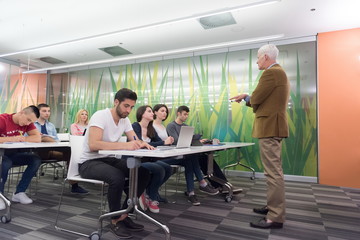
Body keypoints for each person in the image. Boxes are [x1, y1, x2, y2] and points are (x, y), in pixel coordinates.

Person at [78, 88, 152, 239]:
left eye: (132, 107)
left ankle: (123, 215)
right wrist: (126, 145)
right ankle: (114, 220)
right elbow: (94, 144)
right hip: (88, 162)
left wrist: (143, 143)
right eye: (126, 106)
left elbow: (134, 139)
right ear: (116, 102)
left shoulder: (125, 120)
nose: (129, 110)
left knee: (142, 172)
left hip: (108, 160)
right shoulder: (100, 116)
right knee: (117, 177)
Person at [230, 44, 290, 229]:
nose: (256, 61)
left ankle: (275, 216)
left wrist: (247, 96)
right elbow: (262, 100)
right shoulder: (278, 73)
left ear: (265, 57)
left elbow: (256, 99)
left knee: (273, 173)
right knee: (273, 172)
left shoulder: (271, 73)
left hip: (270, 128)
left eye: (257, 57)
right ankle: (273, 207)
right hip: (273, 127)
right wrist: (247, 96)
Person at [153, 104, 219, 206]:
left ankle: (191, 192)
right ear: (155, 112)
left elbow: (178, 141)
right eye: (162, 111)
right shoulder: (164, 126)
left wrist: (198, 140)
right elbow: (173, 142)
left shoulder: (164, 126)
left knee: (190, 159)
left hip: (175, 153)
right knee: (191, 158)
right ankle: (202, 183)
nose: (165, 113)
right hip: (165, 156)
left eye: (165, 111)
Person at [34, 103, 88, 194]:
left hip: (52, 151)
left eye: (49, 111)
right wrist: (44, 138)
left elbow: (56, 140)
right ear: (38, 112)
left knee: (70, 153)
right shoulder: (32, 125)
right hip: (37, 152)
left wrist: (48, 139)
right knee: (44, 139)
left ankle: (74, 185)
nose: (47, 113)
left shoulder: (51, 125)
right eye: (44, 111)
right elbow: (31, 138)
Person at [132, 105, 173, 213]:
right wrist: (163, 142)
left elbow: (158, 143)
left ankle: (148, 192)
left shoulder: (151, 128)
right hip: (134, 160)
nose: (152, 113)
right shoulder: (135, 126)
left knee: (168, 169)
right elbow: (140, 143)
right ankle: (152, 197)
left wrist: (167, 142)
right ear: (142, 114)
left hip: (148, 159)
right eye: (149, 111)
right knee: (159, 169)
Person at [0, 105, 42, 210]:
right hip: (1, 155)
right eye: (28, 120)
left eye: (31, 122)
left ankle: (19, 192)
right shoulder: (3, 119)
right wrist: (12, 139)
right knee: (5, 163)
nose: (28, 123)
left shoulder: (27, 123)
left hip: (12, 154)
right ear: (22, 112)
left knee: (35, 160)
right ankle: (0, 195)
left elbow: (37, 138)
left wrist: (22, 138)